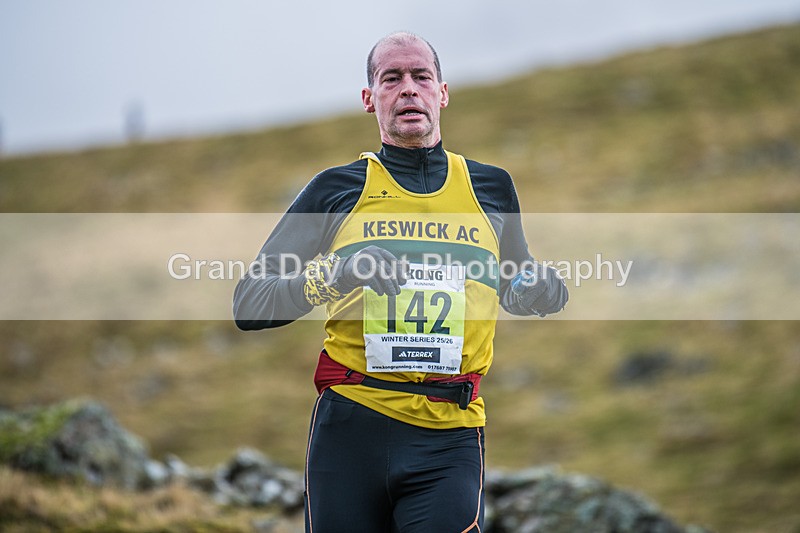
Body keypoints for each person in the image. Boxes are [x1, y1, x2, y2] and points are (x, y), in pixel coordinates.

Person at [234, 32, 568, 533]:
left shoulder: (491, 187)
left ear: (443, 92)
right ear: (370, 99)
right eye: (392, 78)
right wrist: (338, 273)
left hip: (449, 432)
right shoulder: (337, 189)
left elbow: (513, 281)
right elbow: (250, 302)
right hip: (351, 427)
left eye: (421, 77)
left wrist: (539, 291)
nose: (408, 89)